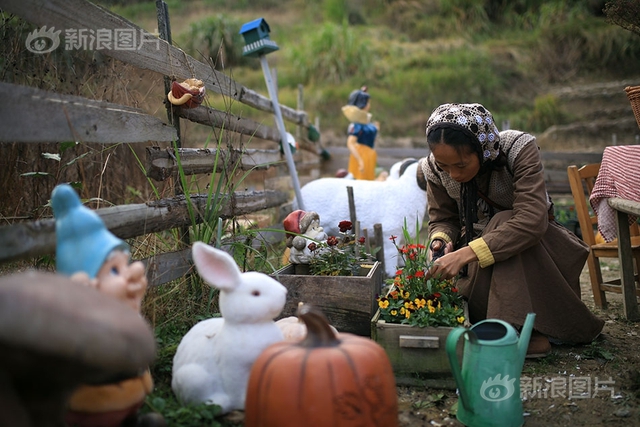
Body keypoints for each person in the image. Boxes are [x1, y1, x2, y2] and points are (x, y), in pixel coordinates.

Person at [421, 103, 604, 357]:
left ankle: (523, 332)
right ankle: (500, 327)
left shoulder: (518, 150)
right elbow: (443, 218)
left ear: (482, 150)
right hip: (482, 265)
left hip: (539, 254)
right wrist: (440, 242)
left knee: (504, 220)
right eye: (445, 166)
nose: (453, 173)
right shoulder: (433, 169)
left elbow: (531, 220)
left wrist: (465, 254)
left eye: (461, 166)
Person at [51, 183, 161, 427]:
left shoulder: (123, 318)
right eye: (114, 270)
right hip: (93, 410)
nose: (131, 274)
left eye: (125, 265)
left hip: (129, 404)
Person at [342, 86, 380, 180]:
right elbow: (350, 143)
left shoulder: (367, 124)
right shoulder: (357, 126)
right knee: (360, 180)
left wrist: (376, 129)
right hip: (361, 154)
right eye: (367, 102)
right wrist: (359, 160)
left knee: (369, 179)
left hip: (369, 154)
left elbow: (372, 139)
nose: (368, 105)